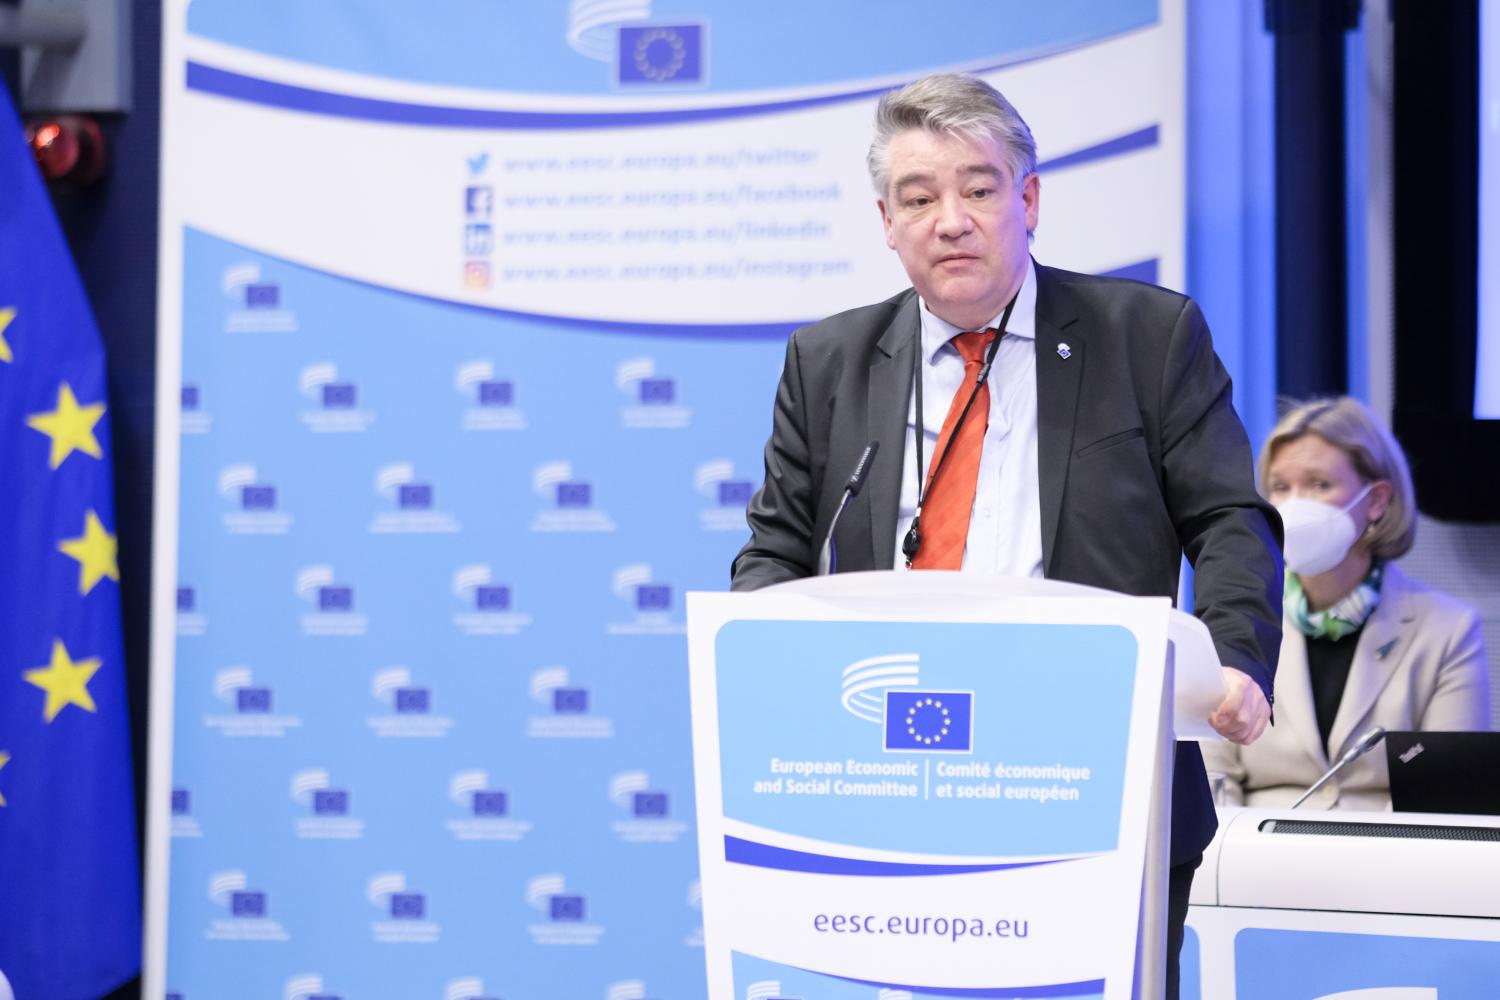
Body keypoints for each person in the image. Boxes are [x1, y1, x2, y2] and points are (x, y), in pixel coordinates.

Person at [730, 73, 1283, 999]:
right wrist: (755, 667)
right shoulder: (827, 361)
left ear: (1027, 200)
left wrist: (1234, 662)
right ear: (886, 222)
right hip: (886, 787)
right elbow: (775, 552)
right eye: (919, 198)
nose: (951, 220)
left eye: (979, 189)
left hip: (1095, 776)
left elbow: (1228, 516)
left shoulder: (1146, 337)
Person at [1202, 397, 1491, 808]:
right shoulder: (1233, 622)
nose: (1295, 505)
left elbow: (1448, 794)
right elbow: (1212, 782)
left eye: (1319, 485)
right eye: (1281, 488)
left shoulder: (1448, 630)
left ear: (1376, 501)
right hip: (1254, 843)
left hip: (1388, 845)